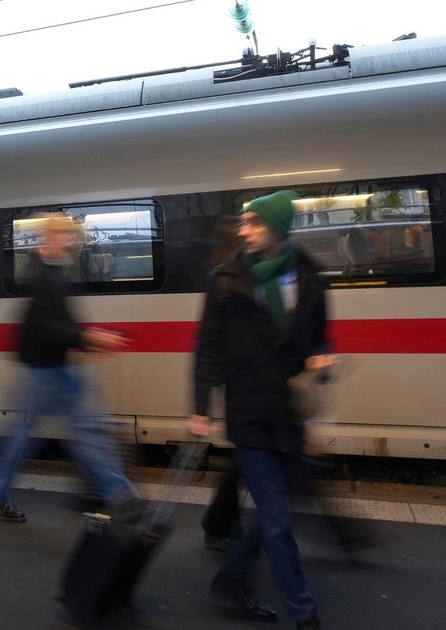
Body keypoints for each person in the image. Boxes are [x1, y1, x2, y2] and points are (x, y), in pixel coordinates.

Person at [191, 190, 333, 630]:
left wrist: (322, 360)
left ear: (278, 228)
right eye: (243, 222)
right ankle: (304, 613)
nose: (243, 230)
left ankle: (230, 582)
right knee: (276, 521)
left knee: (276, 517)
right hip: (249, 412)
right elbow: (208, 349)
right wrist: (201, 408)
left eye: (253, 222)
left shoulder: (309, 276)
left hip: (290, 413)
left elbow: (319, 337)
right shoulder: (225, 281)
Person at [0, 214, 136, 523]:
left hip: (55, 366)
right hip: (43, 369)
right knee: (51, 434)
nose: (73, 241)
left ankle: (120, 495)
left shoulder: (53, 269)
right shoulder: (40, 273)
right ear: (51, 236)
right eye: (67, 235)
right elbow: (45, 324)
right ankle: (120, 495)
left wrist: (88, 342)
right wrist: (87, 339)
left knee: (67, 432)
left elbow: (62, 318)